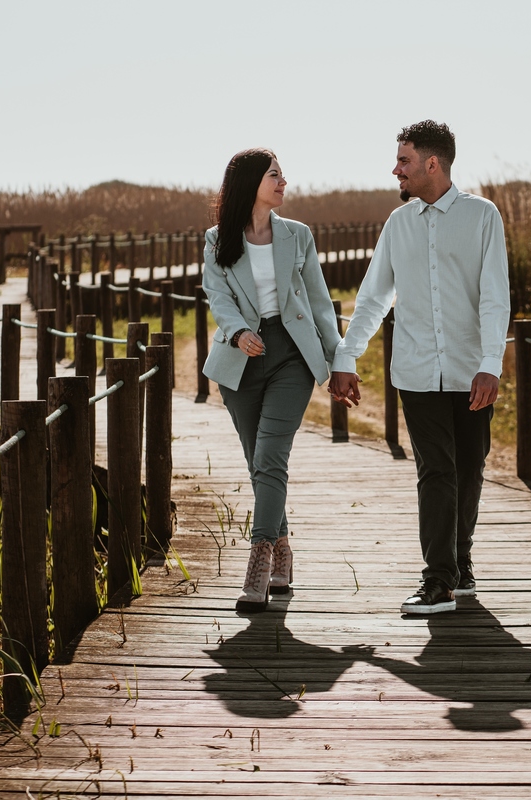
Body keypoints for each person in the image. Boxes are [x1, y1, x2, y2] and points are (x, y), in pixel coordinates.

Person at [329, 121, 510, 615]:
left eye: (404, 160)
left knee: (470, 468)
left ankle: (459, 560)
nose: (396, 170)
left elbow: (496, 297)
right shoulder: (398, 223)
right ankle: (438, 579)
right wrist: (347, 356)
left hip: (471, 371)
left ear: (433, 163)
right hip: (415, 372)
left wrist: (491, 364)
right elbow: (372, 299)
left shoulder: (481, 216)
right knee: (437, 470)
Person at [201, 148, 344, 612]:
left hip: (290, 357)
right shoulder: (217, 238)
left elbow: (320, 302)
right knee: (258, 463)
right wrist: (238, 331)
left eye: (282, 174)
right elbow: (216, 293)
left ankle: (258, 563)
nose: (284, 182)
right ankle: (284, 552)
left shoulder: (297, 236)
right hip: (240, 358)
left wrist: (340, 360)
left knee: (269, 455)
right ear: (249, 183)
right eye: (274, 175)